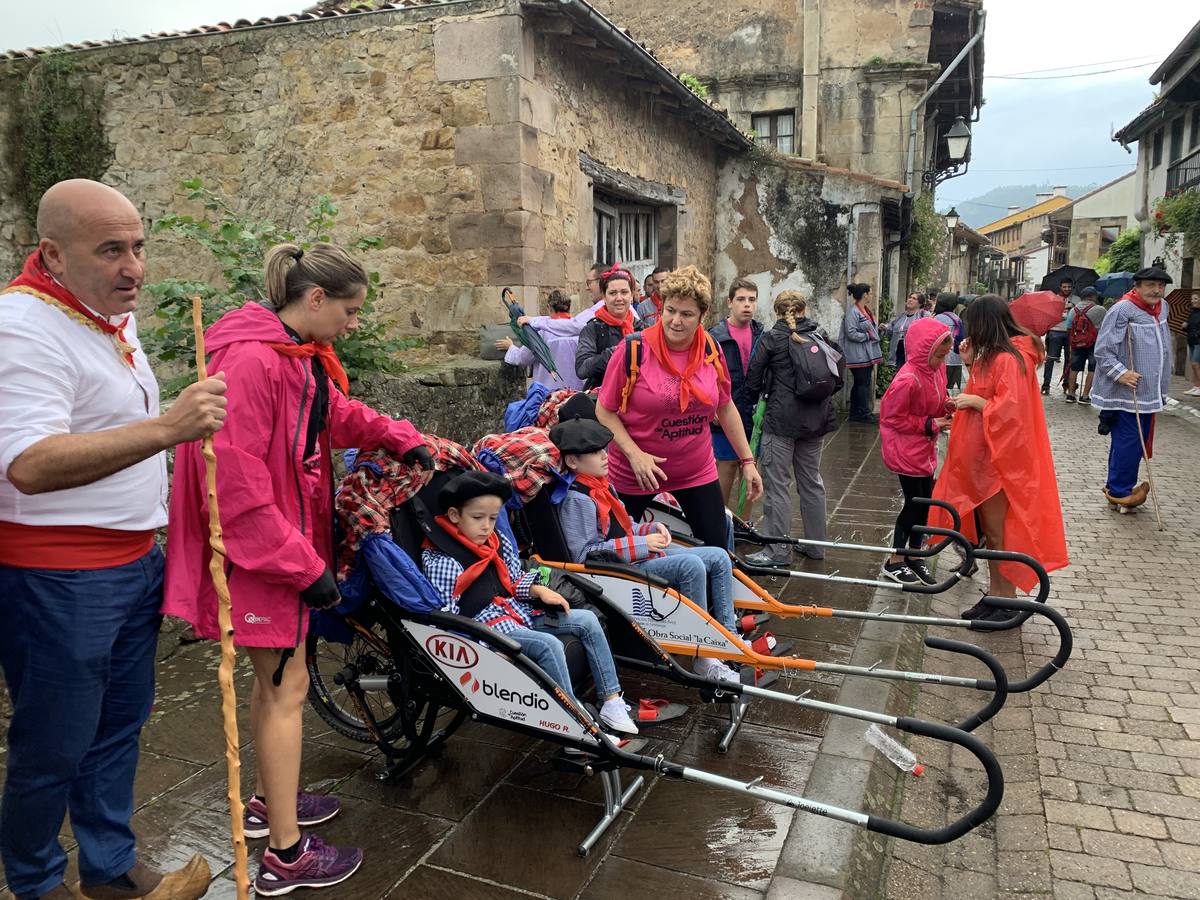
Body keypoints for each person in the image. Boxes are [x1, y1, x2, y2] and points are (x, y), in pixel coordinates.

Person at [165, 242, 433, 896]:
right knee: (285, 688)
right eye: (349, 310)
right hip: (262, 551)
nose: (353, 323)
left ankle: (268, 802)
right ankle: (285, 855)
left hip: (276, 540)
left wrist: (397, 436)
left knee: (277, 682)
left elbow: (329, 415)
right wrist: (302, 565)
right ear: (314, 299)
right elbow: (234, 483)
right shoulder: (255, 362)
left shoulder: (292, 353)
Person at [0, 179, 227, 900]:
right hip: (58, 580)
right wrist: (169, 429)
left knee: (118, 729)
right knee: (53, 748)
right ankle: (36, 885)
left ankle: (109, 867)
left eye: (138, 247)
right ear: (52, 255)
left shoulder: (104, 313)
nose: (134, 267)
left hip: (132, 565)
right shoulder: (21, 327)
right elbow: (29, 465)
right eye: (110, 250)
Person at [421, 470, 641, 732]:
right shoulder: (443, 560)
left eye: (493, 519)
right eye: (478, 518)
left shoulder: (495, 540)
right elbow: (449, 620)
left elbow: (512, 580)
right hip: (486, 627)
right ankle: (572, 721)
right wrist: (485, 650)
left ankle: (612, 701)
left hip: (516, 611)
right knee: (548, 645)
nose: (486, 527)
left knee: (587, 619)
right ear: (455, 515)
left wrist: (538, 590)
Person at [551, 417, 741, 685]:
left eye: (604, 449)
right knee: (691, 566)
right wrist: (642, 545)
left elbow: (626, 524)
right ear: (572, 462)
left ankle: (728, 639)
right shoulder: (577, 500)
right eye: (595, 452)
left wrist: (651, 529)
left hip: (633, 556)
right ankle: (703, 655)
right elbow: (585, 554)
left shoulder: (603, 485)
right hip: (619, 571)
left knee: (719, 556)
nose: (605, 456)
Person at [595, 266, 763, 549]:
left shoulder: (711, 349)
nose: (675, 321)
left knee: (717, 552)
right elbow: (604, 410)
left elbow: (725, 406)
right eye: (670, 310)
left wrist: (747, 461)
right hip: (636, 474)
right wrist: (635, 455)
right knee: (617, 551)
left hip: (695, 470)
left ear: (703, 315)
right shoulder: (633, 350)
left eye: (686, 314)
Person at [931, 295, 1068, 618]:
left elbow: (1010, 413)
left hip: (998, 463)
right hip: (985, 459)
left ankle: (1005, 600)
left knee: (998, 535)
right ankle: (996, 595)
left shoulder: (1008, 359)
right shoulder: (995, 356)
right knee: (992, 535)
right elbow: (989, 393)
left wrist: (973, 403)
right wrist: (968, 367)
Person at [743, 291, 843, 565]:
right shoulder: (819, 334)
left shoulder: (772, 338)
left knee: (777, 485)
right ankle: (816, 546)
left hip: (781, 422)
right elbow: (838, 374)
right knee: (812, 482)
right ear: (803, 309)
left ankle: (777, 550)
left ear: (777, 311)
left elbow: (752, 379)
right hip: (816, 420)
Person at [1089, 267, 1174, 512]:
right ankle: (1120, 490)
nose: (1156, 290)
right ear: (1137, 285)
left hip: (1150, 390)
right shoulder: (1122, 310)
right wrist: (1121, 373)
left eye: (1160, 285)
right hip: (1128, 392)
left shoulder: (1163, 307)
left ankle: (1118, 485)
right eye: (1151, 285)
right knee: (1129, 442)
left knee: (1136, 441)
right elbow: (1104, 351)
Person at [879, 318, 954, 585]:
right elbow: (891, 418)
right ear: (925, 350)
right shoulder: (907, 379)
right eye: (938, 354)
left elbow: (935, 400)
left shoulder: (937, 370)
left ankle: (914, 555)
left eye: (945, 354)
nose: (942, 360)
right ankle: (895, 560)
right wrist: (932, 423)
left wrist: (947, 405)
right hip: (904, 449)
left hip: (923, 448)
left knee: (925, 504)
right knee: (914, 505)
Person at [708, 278, 764, 510]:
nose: (747, 305)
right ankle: (718, 519)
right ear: (730, 302)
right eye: (741, 299)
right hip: (723, 413)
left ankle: (744, 523)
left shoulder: (762, 335)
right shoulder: (714, 336)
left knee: (749, 468)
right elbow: (705, 375)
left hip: (752, 413)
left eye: (752, 300)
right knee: (727, 465)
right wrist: (711, 410)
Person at [496, 290, 587, 390]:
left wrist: (510, 347)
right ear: (568, 307)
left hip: (548, 392)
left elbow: (523, 358)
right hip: (577, 391)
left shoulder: (542, 331)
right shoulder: (580, 329)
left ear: (549, 307)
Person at [575, 264, 641, 390]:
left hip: (637, 396)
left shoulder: (641, 328)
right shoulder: (593, 329)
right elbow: (582, 369)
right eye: (612, 293)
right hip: (601, 398)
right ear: (604, 297)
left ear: (631, 295)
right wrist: (616, 353)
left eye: (624, 292)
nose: (619, 298)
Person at [839, 283, 883, 423]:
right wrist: (868, 336)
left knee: (862, 383)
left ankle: (857, 412)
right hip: (857, 355)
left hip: (864, 353)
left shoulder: (864, 310)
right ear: (865, 295)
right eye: (870, 293)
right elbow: (851, 333)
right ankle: (862, 413)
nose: (871, 296)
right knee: (862, 383)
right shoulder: (853, 312)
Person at [1064, 286, 1106, 404]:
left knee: (1074, 368)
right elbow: (1107, 326)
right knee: (1092, 368)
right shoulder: (1100, 309)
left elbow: (1068, 328)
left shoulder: (1073, 310)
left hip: (1077, 343)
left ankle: (1070, 394)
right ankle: (1085, 396)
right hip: (1094, 343)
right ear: (1092, 296)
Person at [1041, 278, 1076, 395]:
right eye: (1064, 287)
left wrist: (1073, 308)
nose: (1067, 289)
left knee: (1069, 360)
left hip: (1070, 332)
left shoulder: (1076, 299)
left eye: (1069, 287)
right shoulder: (1053, 298)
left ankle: (1066, 384)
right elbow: (1047, 315)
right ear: (1060, 287)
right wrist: (1062, 309)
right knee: (1050, 359)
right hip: (1055, 331)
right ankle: (1046, 384)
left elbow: (1080, 315)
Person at [885, 292, 926, 368]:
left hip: (912, 354)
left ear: (920, 303)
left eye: (914, 298)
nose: (910, 300)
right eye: (910, 297)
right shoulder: (900, 316)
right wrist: (885, 328)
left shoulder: (922, 317)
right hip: (897, 353)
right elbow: (890, 331)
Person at [933, 292, 964, 393]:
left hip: (943, 359)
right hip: (956, 359)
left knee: (941, 388)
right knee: (951, 389)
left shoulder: (938, 318)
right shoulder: (957, 318)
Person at [1186, 292, 1200, 396]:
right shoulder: (1192, 312)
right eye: (1192, 299)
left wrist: (1197, 333)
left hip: (1199, 341)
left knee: (1196, 364)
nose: (1192, 301)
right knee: (1193, 365)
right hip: (1191, 341)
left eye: (1195, 299)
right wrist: (1185, 326)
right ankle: (1196, 387)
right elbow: (1190, 328)